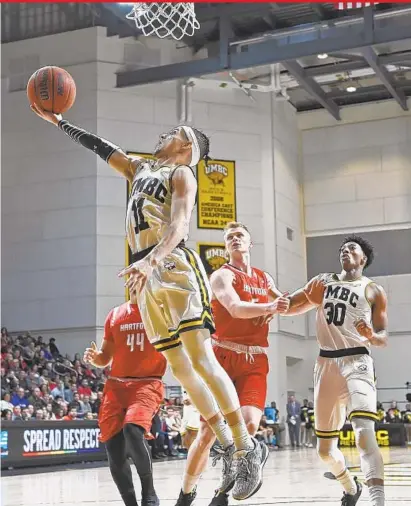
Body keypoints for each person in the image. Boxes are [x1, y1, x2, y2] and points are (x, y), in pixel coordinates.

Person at [32, 106, 274, 500]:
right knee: (179, 367)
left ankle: (247, 448)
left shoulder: (182, 174)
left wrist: (152, 259)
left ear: (186, 147)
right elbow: (104, 149)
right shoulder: (142, 168)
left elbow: (180, 225)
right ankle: (230, 447)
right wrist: (61, 123)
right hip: (145, 273)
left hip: (173, 263)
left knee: (200, 358)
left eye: (174, 132)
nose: (164, 134)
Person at [175, 221, 289, 506]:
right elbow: (236, 308)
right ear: (226, 247)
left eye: (240, 236)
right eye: (230, 237)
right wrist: (270, 307)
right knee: (207, 433)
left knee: (249, 426)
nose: (235, 239)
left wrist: (313, 298)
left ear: (250, 243)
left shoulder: (265, 279)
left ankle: (223, 492)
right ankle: (186, 493)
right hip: (222, 358)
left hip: (254, 359)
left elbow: (287, 302)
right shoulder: (221, 276)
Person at [283, 235, 388, 506]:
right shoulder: (323, 281)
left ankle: (378, 501)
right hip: (326, 363)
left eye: (351, 248)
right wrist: (275, 302)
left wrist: (370, 336)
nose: (345, 251)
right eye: (342, 249)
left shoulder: (373, 289)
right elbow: (292, 305)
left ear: (363, 258)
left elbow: (383, 337)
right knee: (325, 450)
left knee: (364, 433)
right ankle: (350, 487)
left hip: (358, 361)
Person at [83, 295, 167, 506]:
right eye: (131, 278)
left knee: (132, 429)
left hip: (147, 383)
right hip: (116, 385)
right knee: (113, 445)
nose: (134, 282)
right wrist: (96, 358)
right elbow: (105, 358)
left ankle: (149, 492)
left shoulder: (162, 310)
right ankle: (130, 503)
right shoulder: (115, 314)